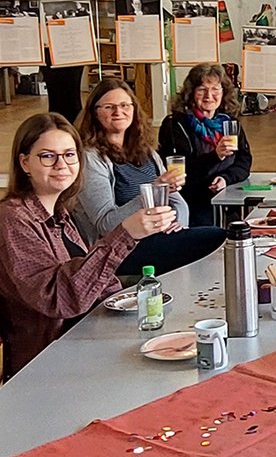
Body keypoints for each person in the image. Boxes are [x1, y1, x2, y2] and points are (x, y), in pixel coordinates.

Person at [0, 113, 174, 379]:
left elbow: (98, 283)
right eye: (48, 156)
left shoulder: (60, 212)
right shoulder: (13, 218)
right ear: (24, 162)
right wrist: (126, 233)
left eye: (70, 155)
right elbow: (60, 299)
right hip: (46, 365)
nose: (62, 164)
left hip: (85, 343)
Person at [76, 78, 224, 276]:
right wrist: (153, 191)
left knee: (220, 239)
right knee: (219, 238)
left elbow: (178, 202)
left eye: (124, 105)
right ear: (94, 113)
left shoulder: (146, 152)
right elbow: (106, 224)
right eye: (109, 107)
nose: (118, 112)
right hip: (121, 249)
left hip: (159, 236)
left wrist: (177, 224)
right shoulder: (90, 158)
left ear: (134, 109)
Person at [158, 64, 252, 226]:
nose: (209, 95)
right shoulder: (175, 124)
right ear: (191, 93)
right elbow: (179, 174)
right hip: (192, 204)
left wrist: (225, 178)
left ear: (223, 92)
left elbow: (244, 161)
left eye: (215, 89)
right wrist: (215, 156)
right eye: (202, 89)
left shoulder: (229, 122)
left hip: (226, 200)